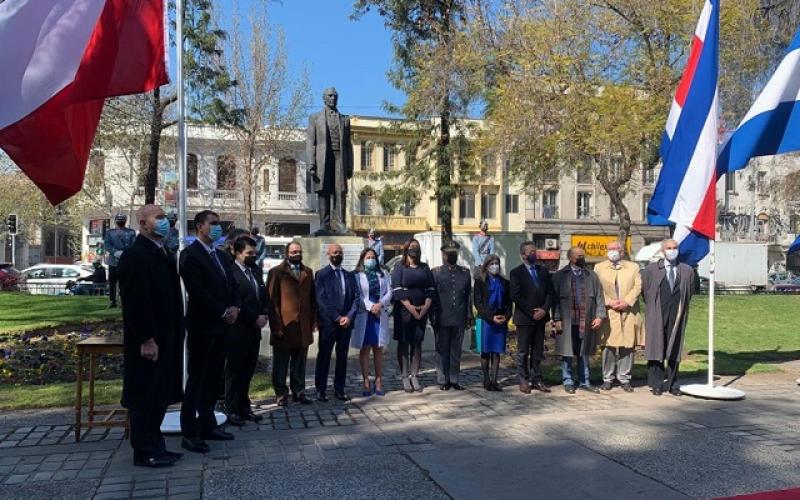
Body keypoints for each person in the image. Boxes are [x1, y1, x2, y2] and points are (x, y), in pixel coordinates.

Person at [118, 204, 183, 467]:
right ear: (143, 224)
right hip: (149, 341)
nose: (165, 221)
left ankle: (157, 445)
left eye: (165, 217)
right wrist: (146, 338)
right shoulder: (135, 255)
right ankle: (145, 451)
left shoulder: (160, 251)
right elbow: (135, 302)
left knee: (158, 396)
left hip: (166, 337)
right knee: (145, 397)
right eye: (159, 217)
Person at [179, 210, 240, 453]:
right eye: (213, 224)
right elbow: (197, 291)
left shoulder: (221, 256)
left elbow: (233, 283)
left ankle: (207, 423)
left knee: (214, 378)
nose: (218, 228)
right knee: (197, 378)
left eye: (219, 224)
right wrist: (222, 311)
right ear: (200, 226)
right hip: (203, 325)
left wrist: (234, 306)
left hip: (222, 326)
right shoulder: (190, 255)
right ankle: (190, 431)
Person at [642, 239, 695, 396]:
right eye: (669, 248)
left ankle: (673, 384)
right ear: (663, 251)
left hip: (677, 313)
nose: (672, 250)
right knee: (656, 347)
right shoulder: (651, 269)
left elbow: (690, 291)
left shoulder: (686, 270)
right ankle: (656, 384)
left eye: (675, 248)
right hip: (657, 312)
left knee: (674, 348)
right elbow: (646, 291)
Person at [224, 236, 268, 426]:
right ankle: (232, 409)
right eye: (249, 253)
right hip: (238, 330)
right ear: (237, 252)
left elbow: (263, 295)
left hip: (254, 331)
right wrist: (254, 317)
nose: (253, 256)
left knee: (248, 371)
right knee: (235, 372)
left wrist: (264, 314)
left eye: (255, 253)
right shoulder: (230, 272)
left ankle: (244, 406)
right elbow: (236, 301)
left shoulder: (256, 270)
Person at [267, 241, 316, 406]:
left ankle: (299, 391)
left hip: (303, 326)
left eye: (299, 251)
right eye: (293, 251)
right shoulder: (277, 272)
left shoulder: (308, 272)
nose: (297, 254)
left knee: (300, 362)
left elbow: (312, 299)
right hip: (284, 326)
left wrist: (313, 322)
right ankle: (281, 393)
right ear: (286, 253)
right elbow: (271, 301)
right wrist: (276, 326)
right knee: (281, 363)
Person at [552, 247, 606, 394]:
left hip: (586, 319)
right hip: (567, 319)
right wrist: (556, 319)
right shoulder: (560, 276)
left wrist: (600, 316)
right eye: (579, 256)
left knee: (584, 352)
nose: (582, 258)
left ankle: (585, 381)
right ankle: (568, 380)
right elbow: (555, 300)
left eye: (583, 255)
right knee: (567, 351)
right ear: (570, 257)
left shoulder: (591, 275)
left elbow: (600, 297)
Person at [314, 243, 360, 402]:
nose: (337, 255)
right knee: (324, 357)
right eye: (334, 252)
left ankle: (339, 389)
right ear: (328, 254)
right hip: (329, 324)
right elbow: (321, 299)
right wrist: (337, 317)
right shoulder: (321, 275)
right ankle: (320, 389)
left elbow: (356, 298)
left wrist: (349, 316)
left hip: (346, 324)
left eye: (339, 252)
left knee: (342, 358)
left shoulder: (349, 275)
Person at [595, 241, 642, 392]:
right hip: (609, 312)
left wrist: (627, 302)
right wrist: (610, 302)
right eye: (610, 249)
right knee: (608, 346)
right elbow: (597, 288)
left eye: (615, 249)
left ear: (622, 251)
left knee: (627, 346)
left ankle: (624, 378)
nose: (612, 251)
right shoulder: (599, 268)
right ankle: (607, 378)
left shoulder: (633, 267)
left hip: (628, 311)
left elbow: (638, 286)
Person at [307, 87, 354, 233]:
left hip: (340, 158)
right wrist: (311, 163)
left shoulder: (345, 120)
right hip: (323, 159)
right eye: (330, 95)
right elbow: (311, 142)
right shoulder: (315, 118)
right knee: (324, 191)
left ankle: (340, 223)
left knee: (340, 191)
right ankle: (324, 224)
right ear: (324, 98)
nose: (333, 98)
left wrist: (350, 166)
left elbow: (348, 145)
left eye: (335, 96)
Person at [391, 238, 435, 393]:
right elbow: (397, 289)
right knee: (404, 343)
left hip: (422, 311)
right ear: (406, 249)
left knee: (417, 343)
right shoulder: (399, 267)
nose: (414, 249)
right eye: (411, 247)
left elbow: (431, 288)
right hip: (404, 311)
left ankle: (415, 375)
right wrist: (411, 308)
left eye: (416, 247)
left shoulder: (424, 267)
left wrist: (426, 306)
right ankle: (404, 376)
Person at [510, 241, 554, 394]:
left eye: (535, 251)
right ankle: (523, 380)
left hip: (541, 317)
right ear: (523, 255)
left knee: (538, 350)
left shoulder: (543, 271)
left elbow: (550, 293)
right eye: (530, 252)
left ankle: (537, 379)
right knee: (523, 351)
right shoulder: (516, 273)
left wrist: (543, 309)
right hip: (525, 318)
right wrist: (531, 311)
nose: (534, 254)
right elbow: (515, 295)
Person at [431, 241, 473, 391]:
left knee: (456, 349)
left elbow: (468, 296)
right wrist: (433, 316)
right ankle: (443, 380)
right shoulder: (436, 272)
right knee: (442, 349)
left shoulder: (465, 272)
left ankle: (454, 379)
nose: (452, 255)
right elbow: (433, 296)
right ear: (443, 255)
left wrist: (469, 316)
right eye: (449, 253)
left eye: (454, 253)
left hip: (459, 316)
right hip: (442, 316)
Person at [351, 248, 392, 396]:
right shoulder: (357, 276)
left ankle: (379, 380)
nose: (370, 260)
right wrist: (370, 307)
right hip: (365, 314)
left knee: (378, 348)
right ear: (362, 259)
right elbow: (358, 295)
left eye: (373, 257)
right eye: (368, 257)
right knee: (365, 348)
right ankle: (366, 381)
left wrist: (380, 304)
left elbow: (389, 292)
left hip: (379, 313)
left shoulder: (383, 274)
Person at [473, 255, 511, 391]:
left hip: (500, 319)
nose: (495, 266)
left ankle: (495, 380)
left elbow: (508, 302)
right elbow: (478, 302)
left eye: (497, 263)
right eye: (492, 263)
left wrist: (506, 316)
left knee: (496, 351)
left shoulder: (505, 282)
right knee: (486, 351)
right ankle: (486, 380)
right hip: (486, 320)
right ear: (486, 265)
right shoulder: (480, 281)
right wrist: (490, 317)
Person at [104, 213, 136, 308]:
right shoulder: (110, 232)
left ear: (125, 221)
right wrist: (115, 252)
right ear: (116, 220)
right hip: (113, 261)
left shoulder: (131, 232)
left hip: (126, 261)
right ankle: (112, 301)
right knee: (112, 282)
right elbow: (107, 245)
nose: (120, 221)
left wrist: (125, 253)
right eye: (119, 219)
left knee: (125, 281)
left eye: (122, 219)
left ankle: (124, 300)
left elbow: (133, 245)